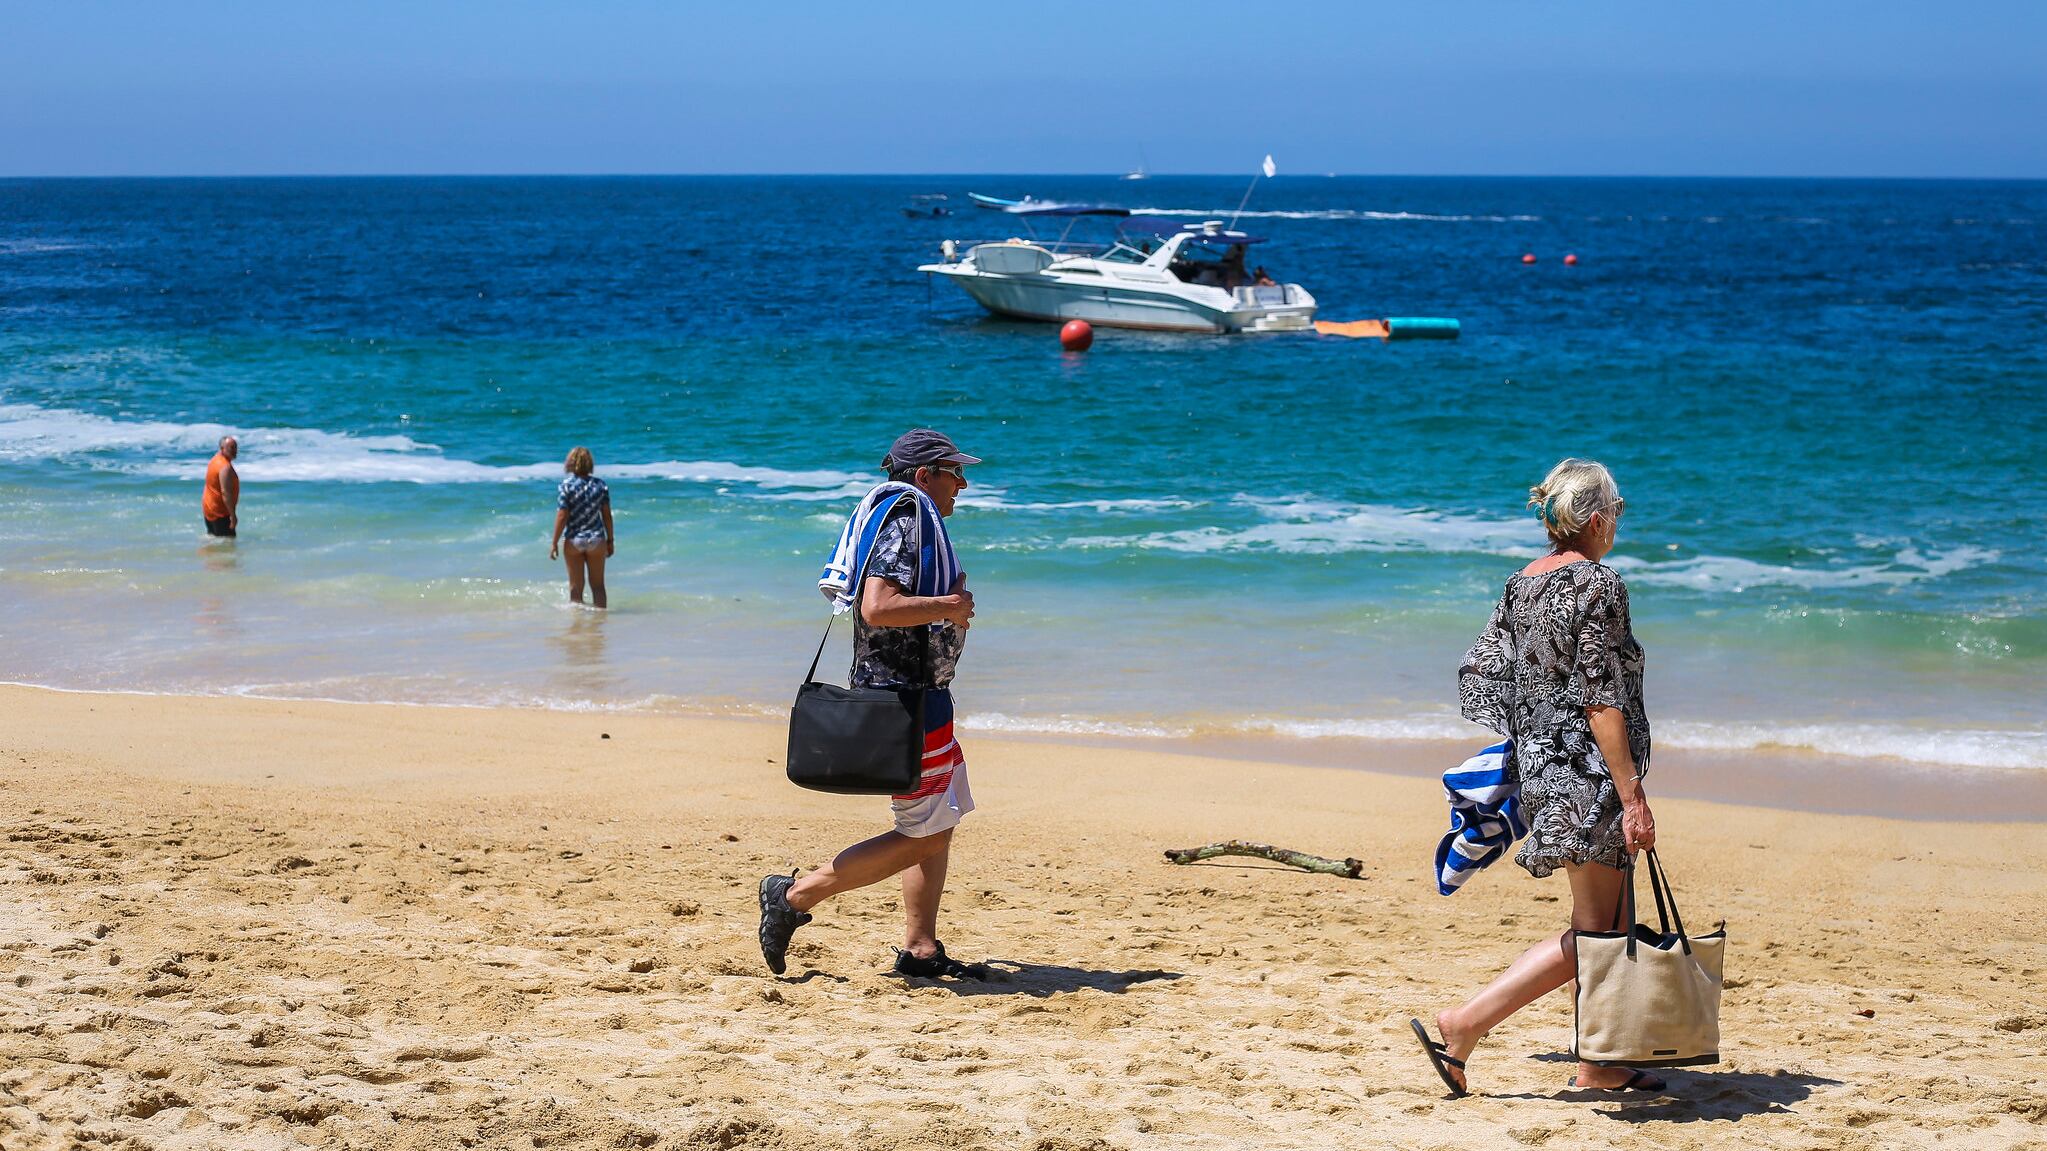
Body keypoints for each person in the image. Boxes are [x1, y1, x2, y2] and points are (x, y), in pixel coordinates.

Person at [1413, 458, 1662, 1096]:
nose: (1619, 524)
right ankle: (1465, 1023)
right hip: (1589, 774)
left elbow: (1493, 667)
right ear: (1598, 519)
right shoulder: (1599, 585)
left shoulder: (1522, 583)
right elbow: (1601, 699)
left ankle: (1600, 1062)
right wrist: (1632, 795)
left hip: (1546, 769)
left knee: (1614, 916)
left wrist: (1535, 745)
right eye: (1619, 512)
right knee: (1596, 929)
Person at [759, 428, 983, 979]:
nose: (963, 482)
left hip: (922, 694)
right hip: (903, 701)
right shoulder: (906, 521)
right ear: (924, 476)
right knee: (924, 831)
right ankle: (793, 896)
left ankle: (921, 947)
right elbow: (878, 607)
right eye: (954, 472)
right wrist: (950, 605)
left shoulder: (912, 520)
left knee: (940, 816)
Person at [548, 447, 614, 609]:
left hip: (574, 540)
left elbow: (562, 515)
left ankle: (578, 627)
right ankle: (599, 623)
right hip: (596, 539)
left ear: (570, 463)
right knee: (598, 586)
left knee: (575, 588)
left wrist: (554, 542)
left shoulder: (566, 486)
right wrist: (610, 540)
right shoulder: (600, 485)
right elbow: (606, 515)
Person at [202, 435, 239, 537]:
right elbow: (225, 493)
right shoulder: (225, 468)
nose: (235, 450)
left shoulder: (214, 460)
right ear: (222, 449)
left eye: (235, 447)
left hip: (209, 510)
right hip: (221, 514)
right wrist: (233, 516)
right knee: (228, 546)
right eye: (231, 448)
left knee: (214, 540)